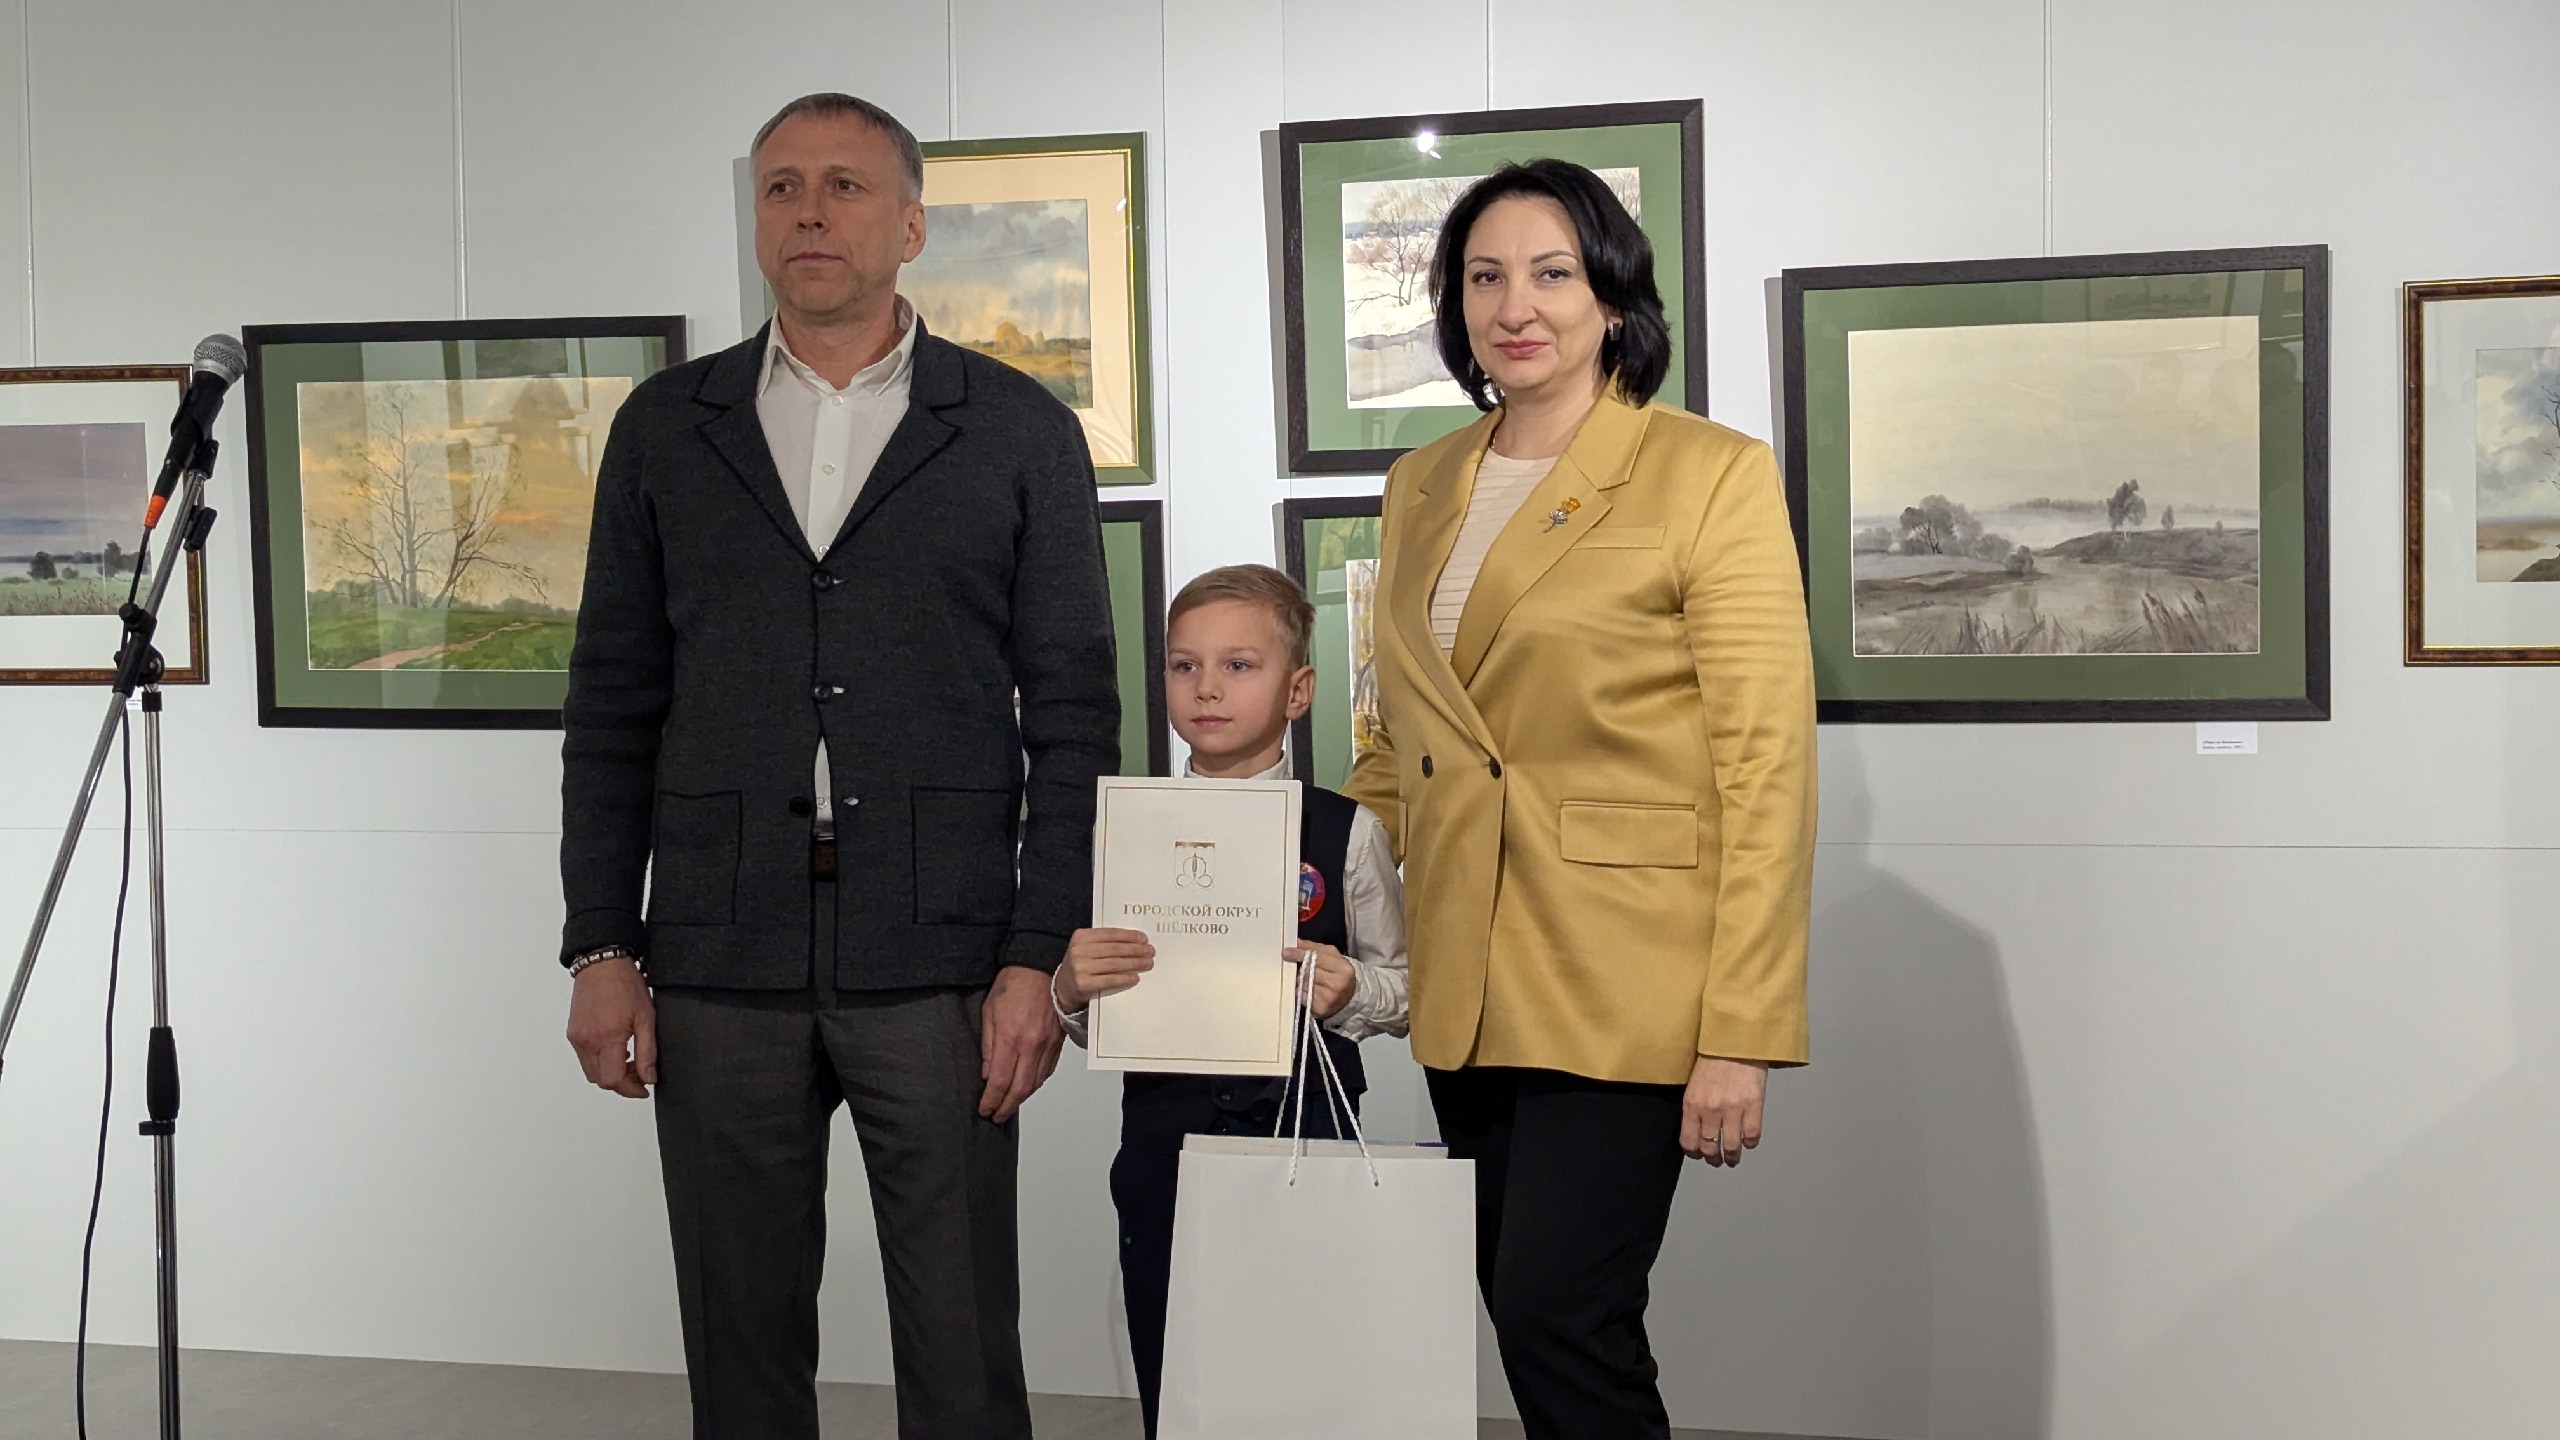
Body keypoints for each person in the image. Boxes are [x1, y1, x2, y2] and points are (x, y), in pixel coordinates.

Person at [557, 92, 1118, 1440]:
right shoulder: (664, 427)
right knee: (738, 1340)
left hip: (944, 951)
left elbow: (1076, 715)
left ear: (912, 225)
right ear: (755, 219)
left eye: (846, 186)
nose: (809, 212)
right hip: (717, 945)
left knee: (962, 1343)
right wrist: (601, 944)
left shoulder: (1019, 429)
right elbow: (612, 704)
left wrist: (1037, 955)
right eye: (782, 187)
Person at [1341, 159, 1817, 1439]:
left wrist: (1740, 1031)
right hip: (1462, 972)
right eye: (1484, 277)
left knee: (1560, 1311)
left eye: (1551, 273)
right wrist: (1303, 879)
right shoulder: (1421, 480)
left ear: (1611, 297)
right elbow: (1400, 740)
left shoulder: (1708, 472)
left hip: (1627, 975)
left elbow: (1765, 767)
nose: (1516, 306)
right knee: (1525, 1314)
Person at [1051, 564, 1409, 1440]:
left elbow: (1405, 989)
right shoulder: (1127, 828)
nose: (1207, 687)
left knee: (1304, 1362)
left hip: (1307, 1135)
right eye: (1185, 665)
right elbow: (1098, 1010)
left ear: (1299, 689)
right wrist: (1070, 988)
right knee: (1176, 1365)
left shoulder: (1347, 829)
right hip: (1161, 1141)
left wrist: (1353, 988)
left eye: (1239, 665)